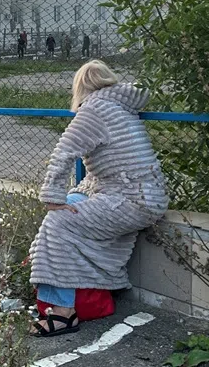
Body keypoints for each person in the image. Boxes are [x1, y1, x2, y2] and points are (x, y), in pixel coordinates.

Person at [28, 60, 168, 337]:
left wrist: (53, 198)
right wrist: (73, 196)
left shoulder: (93, 110)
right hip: (144, 197)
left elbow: (63, 154)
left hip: (128, 200)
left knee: (57, 222)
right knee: (73, 203)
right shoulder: (122, 109)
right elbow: (108, 172)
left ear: (79, 87)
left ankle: (63, 313)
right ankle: (69, 292)